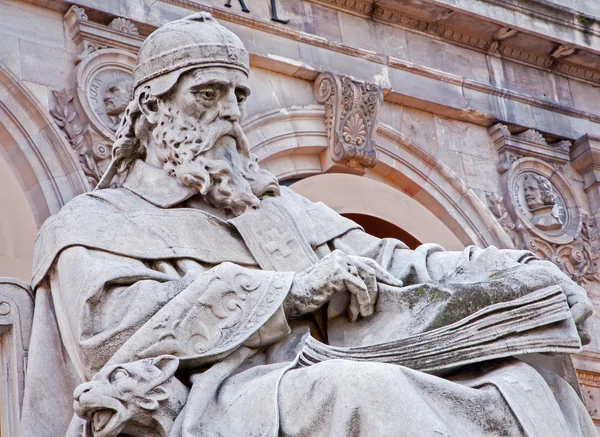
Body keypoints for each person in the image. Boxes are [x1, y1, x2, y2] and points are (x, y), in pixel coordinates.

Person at [21, 12, 596, 437]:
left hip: (320, 370)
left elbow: (393, 263)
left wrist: (509, 270)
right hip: (219, 398)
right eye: (207, 93)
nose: (227, 111)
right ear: (151, 107)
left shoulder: (274, 207)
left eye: (238, 96)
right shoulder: (95, 221)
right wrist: (289, 294)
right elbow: (109, 337)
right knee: (364, 393)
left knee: (523, 374)